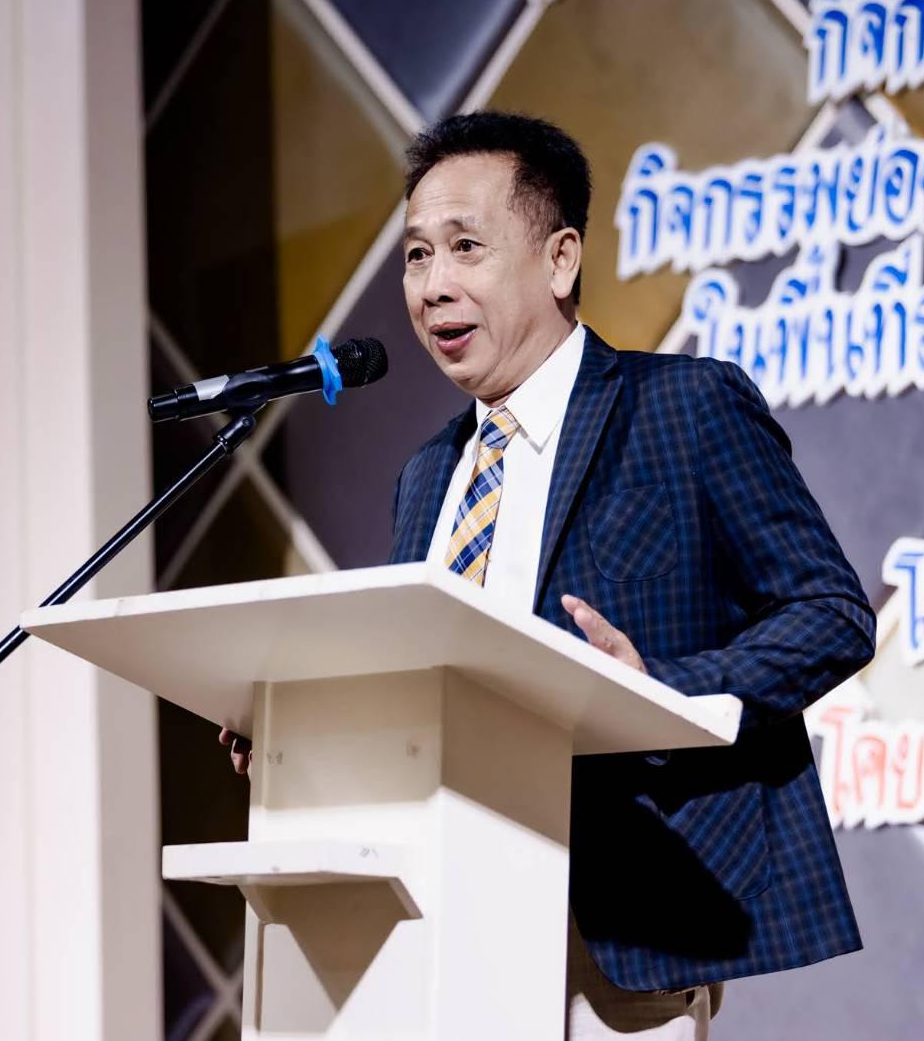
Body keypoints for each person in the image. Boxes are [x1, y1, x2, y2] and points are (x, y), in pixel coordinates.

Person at [224, 111, 876, 1039]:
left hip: (614, 928)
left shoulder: (684, 407)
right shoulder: (427, 475)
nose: (434, 286)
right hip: (433, 918)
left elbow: (832, 611)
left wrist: (662, 690)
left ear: (560, 259)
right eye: (416, 256)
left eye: (465, 247)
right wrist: (310, 732)